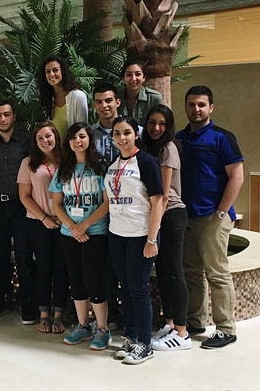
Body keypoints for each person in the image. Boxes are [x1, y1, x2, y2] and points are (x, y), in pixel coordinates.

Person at [176, 85, 244, 349]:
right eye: (191, 104)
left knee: (217, 273)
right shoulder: (180, 139)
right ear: (186, 107)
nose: (196, 109)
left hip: (213, 217)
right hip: (187, 217)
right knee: (192, 273)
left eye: (201, 104)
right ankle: (195, 322)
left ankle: (226, 329)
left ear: (211, 108)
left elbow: (236, 177)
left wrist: (221, 212)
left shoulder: (222, 137)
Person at [104, 116, 163, 364]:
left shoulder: (146, 162)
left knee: (138, 290)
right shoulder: (113, 165)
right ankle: (132, 336)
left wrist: (152, 239)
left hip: (140, 235)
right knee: (125, 288)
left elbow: (158, 202)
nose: (122, 138)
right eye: (117, 133)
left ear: (135, 134)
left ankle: (145, 345)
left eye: (127, 132)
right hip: (117, 234)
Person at [50, 123, 111, 350]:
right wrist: (73, 227)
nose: (78, 141)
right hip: (70, 234)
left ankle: (102, 329)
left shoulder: (101, 167)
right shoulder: (63, 169)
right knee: (76, 280)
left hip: (95, 232)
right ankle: (83, 326)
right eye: (74, 137)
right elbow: (57, 204)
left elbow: (107, 202)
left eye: (82, 136)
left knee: (94, 280)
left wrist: (84, 225)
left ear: (90, 139)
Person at [0, 100, 37, 323]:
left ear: (13, 116)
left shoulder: (27, 141)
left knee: (24, 255)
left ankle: (28, 302)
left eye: (6, 114)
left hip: (22, 206)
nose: (3, 119)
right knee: (0, 255)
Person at [141, 104, 191, 351]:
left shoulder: (168, 148)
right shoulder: (148, 147)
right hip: (157, 216)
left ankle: (182, 332)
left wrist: (154, 230)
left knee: (173, 272)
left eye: (162, 123)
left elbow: (161, 192)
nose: (156, 128)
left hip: (170, 215)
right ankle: (170, 324)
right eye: (152, 122)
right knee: (162, 272)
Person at [17, 121, 69, 334]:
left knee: (61, 268)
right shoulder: (28, 163)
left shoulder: (67, 160)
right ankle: (44, 314)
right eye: (40, 138)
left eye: (48, 136)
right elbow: (24, 196)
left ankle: (59, 315)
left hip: (65, 223)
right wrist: (45, 218)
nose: (45, 141)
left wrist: (64, 218)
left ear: (55, 136)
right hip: (38, 223)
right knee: (43, 268)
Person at [91, 82, 123, 331]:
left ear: (117, 102)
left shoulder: (134, 130)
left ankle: (132, 317)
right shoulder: (89, 135)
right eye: (99, 102)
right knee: (104, 267)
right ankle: (109, 315)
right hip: (100, 209)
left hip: (128, 209)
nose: (104, 105)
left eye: (109, 100)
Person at [38, 55, 88, 140]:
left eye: (55, 70)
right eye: (48, 72)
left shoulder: (78, 96)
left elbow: (82, 129)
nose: (51, 74)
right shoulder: (47, 99)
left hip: (75, 146)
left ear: (63, 71)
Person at [117, 59, 162, 125]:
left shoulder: (154, 98)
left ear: (144, 78)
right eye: (129, 75)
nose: (133, 79)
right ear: (123, 78)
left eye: (138, 74)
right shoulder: (116, 97)